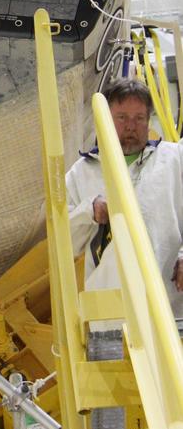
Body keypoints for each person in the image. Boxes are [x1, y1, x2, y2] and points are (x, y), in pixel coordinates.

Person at [66, 76, 183, 321]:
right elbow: (64, 238)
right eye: (122, 118)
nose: (131, 126)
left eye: (139, 118)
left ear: (149, 120)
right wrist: (90, 210)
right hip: (108, 312)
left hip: (169, 307)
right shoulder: (82, 172)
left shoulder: (174, 160)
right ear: (105, 119)